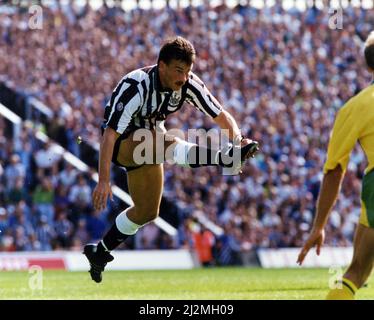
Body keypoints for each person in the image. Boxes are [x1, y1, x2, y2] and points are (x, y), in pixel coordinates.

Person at [83, 36, 259, 283]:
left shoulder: (187, 84)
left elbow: (219, 115)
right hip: (122, 143)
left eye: (188, 71)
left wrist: (239, 140)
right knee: (166, 141)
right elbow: (110, 135)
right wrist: (103, 180)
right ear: (161, 66)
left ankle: (100, 252)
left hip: (152, 142)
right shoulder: (137, 85)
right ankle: (225, 158)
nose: (184, 77)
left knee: (147, 212)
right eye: (179, 70)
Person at [297, 31, 374, 300]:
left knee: (357, 272)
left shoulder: (355, 107)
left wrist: (319, 226)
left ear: (368, 66)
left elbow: (333, 170)